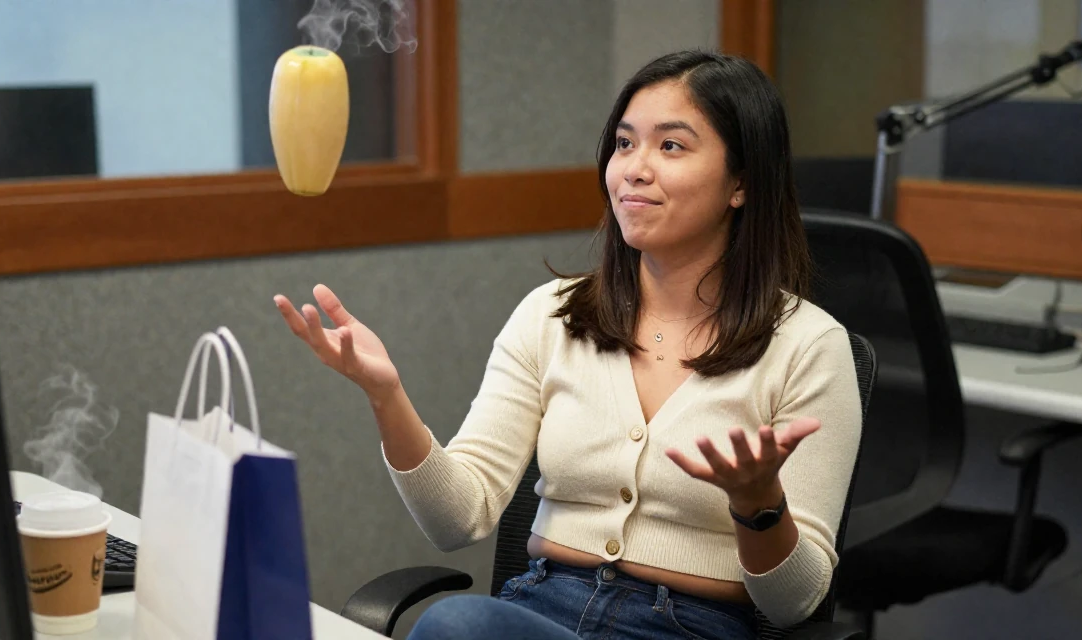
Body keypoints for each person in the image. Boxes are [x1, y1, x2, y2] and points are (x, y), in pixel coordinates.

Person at [274, 49, 862, 640]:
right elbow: (459, 517)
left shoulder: (809, 346)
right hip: (537, 606)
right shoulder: (552, 315)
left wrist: (757, 503)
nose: (633, 168)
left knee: (459, 624)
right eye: (625, 143)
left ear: (741, 183)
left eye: (672, 146)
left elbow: (797, 604)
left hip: (687, 628)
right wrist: (387, 396)